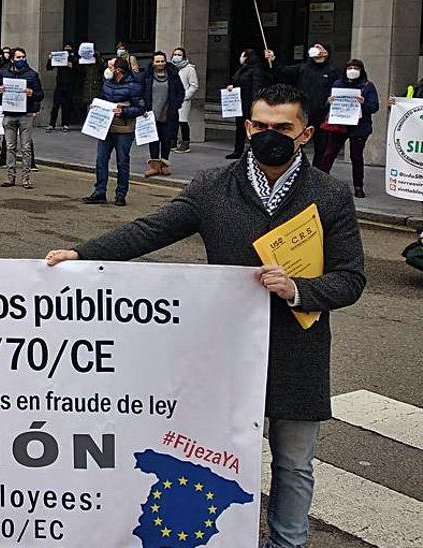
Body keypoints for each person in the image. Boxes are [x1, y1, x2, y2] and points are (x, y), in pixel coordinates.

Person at [47, 83, 365, 548]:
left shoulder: (330, 195)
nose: (269, 134)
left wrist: (301, 290)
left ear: (306, 133)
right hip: (226, 352)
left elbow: (351, 278)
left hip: (298, 349)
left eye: (283, 127)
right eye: (261, 126)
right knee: (211, 457)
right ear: (247, 126)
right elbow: (151, 230)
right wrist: (83, 253)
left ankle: (287, 543)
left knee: (294, 464)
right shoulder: (213, 187)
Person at [84, 56, 146, 206]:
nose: (108, 70)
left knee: (122, 161)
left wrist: (124, 111)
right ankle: (100, 191)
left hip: (124, 129)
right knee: (101, 160)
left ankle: (121, 194)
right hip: (106, 128)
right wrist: (94, 106)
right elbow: (101, 99)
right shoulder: (107, 84)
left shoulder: (133, 86)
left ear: (118, 70)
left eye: (111, 67)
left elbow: (141, 108)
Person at [314, 59, 378, 198]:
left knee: (356, 156)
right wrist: (329, 102)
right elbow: (327, 104)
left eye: (356, 68)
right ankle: (322, 182)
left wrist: (363, 103)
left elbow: (374, 107)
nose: (352, 70)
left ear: (361, 71)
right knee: (329, 153)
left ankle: (358, 186)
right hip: (339, 124)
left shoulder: (367, 87)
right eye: (350, 67)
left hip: (359, 127)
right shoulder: (338, 84)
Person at [266, 43, 339, 157]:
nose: (315, 49)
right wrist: (273, 59)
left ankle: (319, 171)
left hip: (322, 115)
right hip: (303, 113)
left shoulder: (333, 71)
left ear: (325, 53)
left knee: (321, 148)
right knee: (297, 143)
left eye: (319, 47)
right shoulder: (302, 68)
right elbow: (282, 71)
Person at [0, 48, 43, 188]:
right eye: (18, 57)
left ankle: (26, 178)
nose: (21, 60)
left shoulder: (32, 75)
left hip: (25, 115)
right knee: (10, 147)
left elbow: (40, 95)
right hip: (9, 114)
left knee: (26, 147)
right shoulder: (4, 73)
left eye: (23, 57)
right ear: (12, 59)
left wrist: (32, 93)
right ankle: (10, 177)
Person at [141, 51, 185, 177]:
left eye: (162, 61)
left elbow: (180, 92)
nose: (160, 63)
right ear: (153, 63)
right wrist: (142, 107)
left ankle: (164, 165)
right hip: (150, 114)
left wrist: (176, 105)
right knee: (153, 141)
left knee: (166, 140)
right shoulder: (147, 76)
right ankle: (154, 167)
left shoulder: (173, 75)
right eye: (157, 61)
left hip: (168, 114)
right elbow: (141, 92)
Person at [226, 49, 273, 160]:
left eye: (243, 56)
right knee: (240, 128)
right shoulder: (242, 69)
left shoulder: (256, 70)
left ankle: (255, 152)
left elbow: (256, 88)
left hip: (249, 104)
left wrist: (254, 105)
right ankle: (238, 151)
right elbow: (237, 82)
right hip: (240, 104)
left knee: (253, 130)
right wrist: (232, 87)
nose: (241, 58)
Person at [171, 47, 199, 153]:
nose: (176, 56)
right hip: (172, 99)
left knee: (182, 121)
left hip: (183, 100)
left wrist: (185, 95)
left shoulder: (190, 69)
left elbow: (194, 85)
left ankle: (185, 143)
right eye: (175, 54)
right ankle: (172, 142)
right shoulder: (171, 68)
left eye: (179, 55)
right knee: (172, 121)